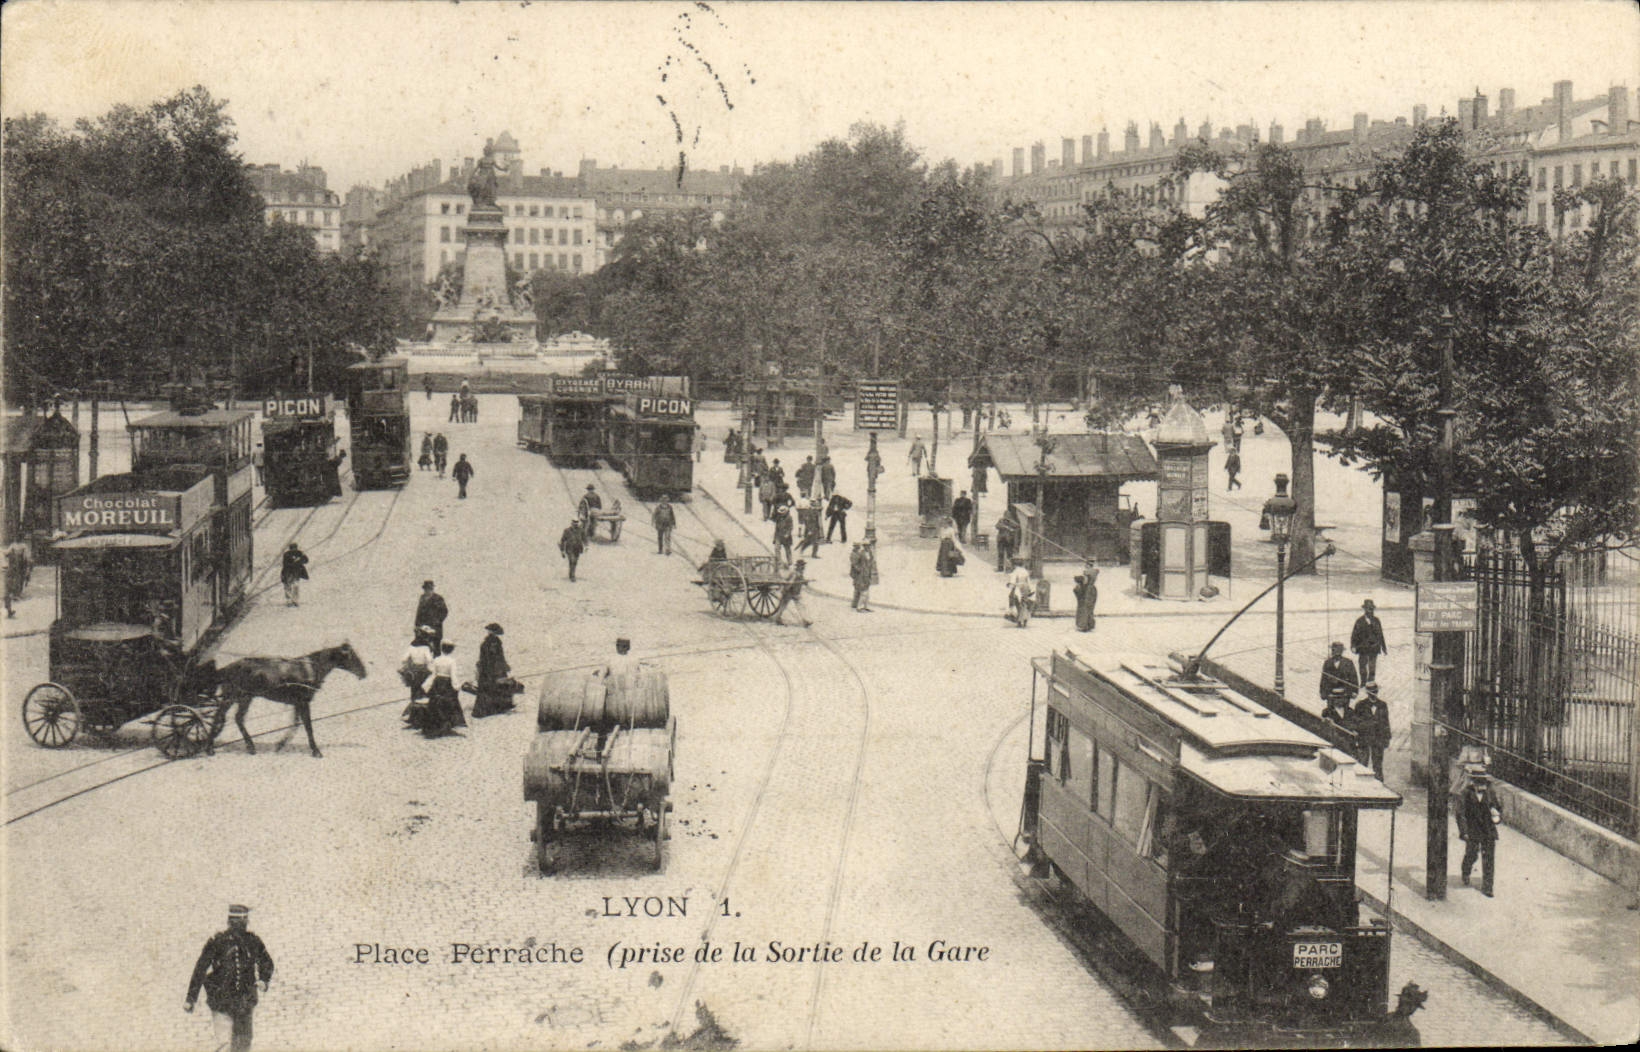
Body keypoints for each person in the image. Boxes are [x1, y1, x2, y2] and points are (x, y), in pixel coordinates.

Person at [185, 904, 274, 1052]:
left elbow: (267, 962)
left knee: (243, 1044)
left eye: (242, 922)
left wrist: (264, 979)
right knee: (224, 1045)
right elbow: (200, 969)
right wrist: (190, 998)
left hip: (244, 1002)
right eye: (238, 922)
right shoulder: (217, 941)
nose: (240, 925)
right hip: (221, 1001)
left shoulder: (253, 941)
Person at [1456, 770, 1502, 897]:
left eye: (1484, 782)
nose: (1482, 785)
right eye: (1479, 782)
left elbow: (1498, 808)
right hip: (1473, 830)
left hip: (1488, 830)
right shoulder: (1465, 793)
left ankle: (1488, 887)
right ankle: (1466, 871)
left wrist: (1496, 812)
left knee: (1489, 858)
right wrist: (1464, 831)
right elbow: (1461, 814)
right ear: (1473, 782)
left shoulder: (1490, 793)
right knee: (1471, 854)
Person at [421, 642, 467, 737]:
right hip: (447, 683)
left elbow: (433, 673)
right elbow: (453, 675)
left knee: (435, 702)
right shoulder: (451, 661)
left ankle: (435, 726)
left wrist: (427, 684)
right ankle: (446, 726)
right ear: (451, 650)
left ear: (442, 649)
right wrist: (456, 686)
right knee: (449, 703)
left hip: (438, 682)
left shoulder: (437, 660)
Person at [472, 622, 517, 718]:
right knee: (498, 685)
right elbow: (496, 657)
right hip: (493, 668)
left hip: (487, 668)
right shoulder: (494, 643)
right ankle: (500, 707)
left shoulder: (487, 643)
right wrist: (503, 666)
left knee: (489, 687)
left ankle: (494, 707)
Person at [1353, 684, 1392, 781]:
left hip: (1378, 739)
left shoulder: (1382, 705)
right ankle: (1361, 783)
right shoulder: (1360, 705)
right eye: (1371, 692)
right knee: (1362, 763)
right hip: (1364, 738)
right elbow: (1356, 722)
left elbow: (1386, 722)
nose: (1373, 694)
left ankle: (1379, 783)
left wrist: (1387, 738)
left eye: (1375, 692)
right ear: (1367, 693)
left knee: (1378, 764)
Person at [400, 627, 436, 726]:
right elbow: (429, 660)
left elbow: (403, 659)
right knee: (424, 694)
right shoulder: (426, 647)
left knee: (414, 694)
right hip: (423, 672)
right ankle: (422, 719)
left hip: (414, 673)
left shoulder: (411, 646)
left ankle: (413, 717)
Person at [1351, 598, 1389, 684]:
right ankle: (1363, 683)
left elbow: (1380, 634)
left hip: (1374, 647)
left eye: (1371, 609)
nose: (1370, 611)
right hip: (1362, 647)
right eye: (1368, 608)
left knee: (1372, 667)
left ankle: (1371, 682)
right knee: (1362, 666)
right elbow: (1354, 634)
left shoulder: (1376, 620)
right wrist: (1353, 646)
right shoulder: (1359, 621)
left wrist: (1384, 648)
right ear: (1364, 609)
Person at [775, 559, 814, 628]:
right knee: (783, 606)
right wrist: (786, 589)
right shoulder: (794, 573)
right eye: (802, 566)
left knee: (801, 606)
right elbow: (789, 582)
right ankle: (778, 618)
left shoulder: (800, 573)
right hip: (789, 592)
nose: (803, 567)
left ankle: (806, 620)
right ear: (798, 566)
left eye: (803, 566)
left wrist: (805, 582)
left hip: (796, 593)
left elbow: (802, 580)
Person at [415, 580, 448, 651]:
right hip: (423, 629)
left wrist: (437, 622)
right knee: (423, 648)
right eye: (426, 589)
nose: (428, 591)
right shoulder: (422, 598)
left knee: (436, 649)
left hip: (435, 629)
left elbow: (444, 612)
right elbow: (419, 612)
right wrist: (417, 625)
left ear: (432, 589)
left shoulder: (438, 598)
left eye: (430, 589)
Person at [1007, 560, 1035, 627]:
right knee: (1024, 604)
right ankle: (1025, 620)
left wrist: (1010, 587)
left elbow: (1013, 582)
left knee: (1017, 604)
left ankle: (1019, 621)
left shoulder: (1015, 572)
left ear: (1015, 565)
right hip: (1025, 588)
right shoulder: (1025, 571)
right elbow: (1028, 581)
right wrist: (1030, 590)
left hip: (1018, 588)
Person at [280, 542, 309, 607]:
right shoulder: (286, 554)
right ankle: (289, 600)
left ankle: (295, 600)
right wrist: (296, 563)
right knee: (288, 586)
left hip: (296, 572)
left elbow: (306, 560)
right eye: (292, 548)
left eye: (294, 548)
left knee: (295, 586)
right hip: (288, 572)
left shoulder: (300, 553)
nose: (293, 549)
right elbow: (285, 564)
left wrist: (301, 559)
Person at [849, 542, 874, 612]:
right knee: (863, 590)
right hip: (861, 574)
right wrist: (860, 570)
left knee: (861, 589)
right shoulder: (860, 553)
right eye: (866, 546)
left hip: (866, 573)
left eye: (869, 545)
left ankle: (858, 606)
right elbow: (855, 564)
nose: (867, 547)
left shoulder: (870, 553)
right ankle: (860, 607)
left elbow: (870, 562)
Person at [1073, 566, 1099, 632]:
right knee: (1085, 610)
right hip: (1084, 600)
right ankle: (1085, 624)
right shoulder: (1087, 586)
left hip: (1087, 600)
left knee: (1086, 610)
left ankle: (1085, 625)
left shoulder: (1090, 587)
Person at [772, 504, 794, 569]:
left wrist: (787, 534)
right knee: (777, 548)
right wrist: (775, 537)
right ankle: (779, 562)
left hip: (786, 536)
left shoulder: (789, 518)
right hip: (778, 535)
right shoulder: (778, 517)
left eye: (782, 512)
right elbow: (776, 528)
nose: (781, 513)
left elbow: (790, 527)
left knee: (787, 549)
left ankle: (790, 562)